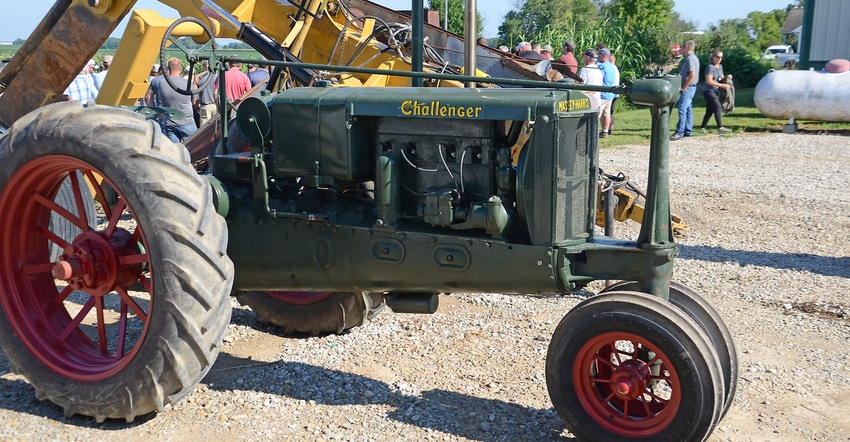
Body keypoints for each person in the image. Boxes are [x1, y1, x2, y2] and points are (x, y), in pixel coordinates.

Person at [145, 57, 197, 143]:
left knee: (173, 150)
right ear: (180, 68)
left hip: (169, 123)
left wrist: (157, 112)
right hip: (187, 121)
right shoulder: (187, 84)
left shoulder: (161, 83)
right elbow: (194, 100)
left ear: (168, 68)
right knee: (194, 147)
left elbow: (148, 98)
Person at [670, 40, 699, 141]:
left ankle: (679, 132)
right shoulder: (694, 58)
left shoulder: (690, 59)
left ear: (686, 47)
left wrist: (684, 87)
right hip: (692, 87)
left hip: (688, 87)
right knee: (688, 110)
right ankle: (688, 130)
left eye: (682, 47)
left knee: (682, 109)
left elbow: (692, 74)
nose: (680, 49)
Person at [700, 50, 733, 134]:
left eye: (721, 57)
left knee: (710, 110)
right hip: (708, 91)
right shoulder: (710, 67)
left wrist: (727, 78)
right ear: (713, 57)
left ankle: (703, 127)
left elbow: (721, 79)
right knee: (717, 107)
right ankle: (720, 127)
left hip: (715, 91)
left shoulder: (720, 67)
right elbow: (709, 81)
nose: (719, 59)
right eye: (718, 57)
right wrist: (722, 86)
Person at [597, 48, 617, 138]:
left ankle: (593, 131)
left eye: (599, 55)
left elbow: (599, 78)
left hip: (602, 94)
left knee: (597, 114)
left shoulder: (602, 66)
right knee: (607, 114)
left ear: (604, 56)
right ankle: (605, 131)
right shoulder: (611, 66)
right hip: (610, 94)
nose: (598, 57)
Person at [193, 60, 218, 126]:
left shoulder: (199, 79)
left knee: (204, 129)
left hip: (205, 106)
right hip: (216, 105)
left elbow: (195, 96)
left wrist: (197, 108)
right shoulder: (217, 77)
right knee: (217, 127)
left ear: (204, 66)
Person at [608, 53, 622, 135]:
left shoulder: (611, 68)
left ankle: (608, 129)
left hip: (611, 92)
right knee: (611, 112)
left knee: (608, 112)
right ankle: (610, 129)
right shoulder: (616, 69)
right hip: (615, 93)